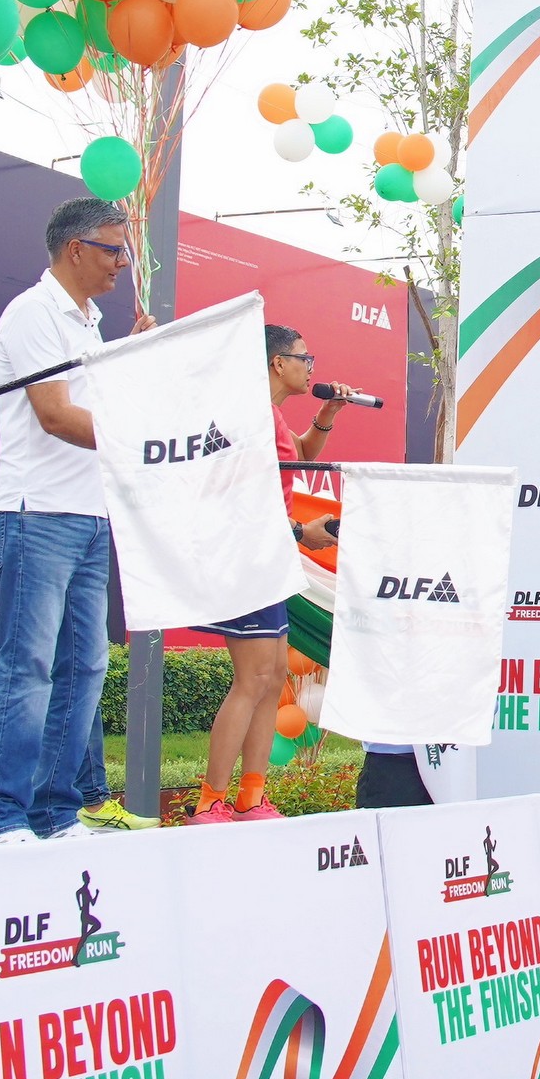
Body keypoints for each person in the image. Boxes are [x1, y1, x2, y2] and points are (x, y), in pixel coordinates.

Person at [0, 198, 153, 845]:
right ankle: (0, 817)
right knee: (27, 668)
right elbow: (53, 414)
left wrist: (134, 359)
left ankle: (53, 812)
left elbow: (100, 406)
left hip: (90, 515)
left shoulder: (90, 325)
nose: (122, 263)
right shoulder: (33, 313)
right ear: (75, 249)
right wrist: (144, 442)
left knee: (85, 670)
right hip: (37, 515)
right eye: (113, 250)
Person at [194, 323, 351, 823]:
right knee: (253, 678)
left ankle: (251, 796)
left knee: (274, 674)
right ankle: (210, 801)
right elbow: (238, 501)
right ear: (278, 363)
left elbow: (298, 459)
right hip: (247, 558)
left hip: (271, 559)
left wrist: (327, 414)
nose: (311, 368)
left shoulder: (273, 416)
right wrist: (302, 532)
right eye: (305, 358)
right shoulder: (245, 419)